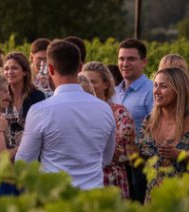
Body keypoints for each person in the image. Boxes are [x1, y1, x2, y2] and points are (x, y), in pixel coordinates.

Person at [15, 40, 116, 190]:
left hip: (56, 200)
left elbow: (23, 163)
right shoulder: (104, 109)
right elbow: (106, 158)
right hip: (94, 200)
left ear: (50, 69)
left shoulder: (40, 111)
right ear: (80, 68)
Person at [137, 67, 189, 203]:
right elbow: (143, 157)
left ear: (178, 90)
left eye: (163, 86)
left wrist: (181, 156)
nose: (156, 91)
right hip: (155, 198)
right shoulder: (149, 121)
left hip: (187, 201)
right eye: (155, 85)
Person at [83, 61, 136, 199]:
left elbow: (122, 150)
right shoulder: (78, 112)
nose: (88, 86)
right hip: (83, 182)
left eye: (93, 81)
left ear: (106, 84)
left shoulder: (119, 112)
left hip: (111, 182)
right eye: (85, 81)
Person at [115, 38, 153, 134]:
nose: (125, 64)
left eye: (131, 59)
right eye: (121, 59)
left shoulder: (152, 91)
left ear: (144, 62)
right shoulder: (113, 92)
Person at [0, 52, 46, 122]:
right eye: (6, 69)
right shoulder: (0, 96)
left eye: (14, 68)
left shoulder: (37, 96)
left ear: (25, 72)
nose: (9, 72)